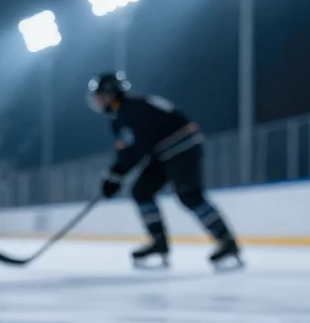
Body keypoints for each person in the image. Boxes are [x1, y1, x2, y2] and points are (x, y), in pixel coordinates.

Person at [87, 71, 241, 269]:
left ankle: (227, 242)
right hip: (163, 153)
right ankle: (159, 242)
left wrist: (115, 176)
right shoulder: (131, 109)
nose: (97, 102)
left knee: (189, 195)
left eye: (99, 97)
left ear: (110, 94)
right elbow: (135, 149)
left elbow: (133, 151)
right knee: (141, 190)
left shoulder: (129, 112)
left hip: (181, 147)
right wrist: (115, 176)